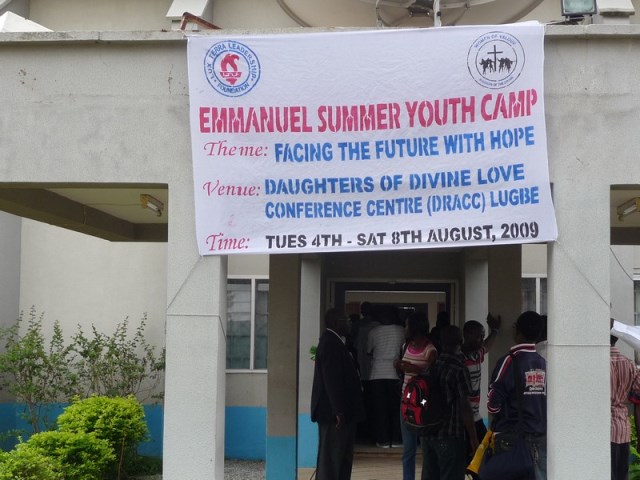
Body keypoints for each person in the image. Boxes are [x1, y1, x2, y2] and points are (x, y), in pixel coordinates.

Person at [487, 311, 547, 480]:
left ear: (517, 331)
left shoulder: (509, 361)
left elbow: (492, 405)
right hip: (540, 436)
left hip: (512, 438)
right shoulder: (543, 362)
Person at [311, 308, 365, 480]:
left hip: (344, 412)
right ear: (336, 322)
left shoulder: (338, 343)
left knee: (343, 458)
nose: (350, 323)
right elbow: (331, 380)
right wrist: (338, 410)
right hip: (334, 415)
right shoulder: (330, 344)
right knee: (331, 460)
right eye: (346, 320)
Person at [420, 325, 478, 480]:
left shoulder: (431, 366)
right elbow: (465, 406)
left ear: (440, 342)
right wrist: (473, 438)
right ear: (461, 341)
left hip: (429, 434)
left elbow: (423, 400)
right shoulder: (459, 368)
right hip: (450, 435)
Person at [395, 311, 438, 480]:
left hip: (423, 403)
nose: (404, 328)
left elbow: (434, 377)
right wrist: (398, 365)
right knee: (408, 449)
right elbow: (403, 371)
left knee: (426, 448)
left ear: (414, 327)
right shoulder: (406, 346)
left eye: (407, 325)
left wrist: (415, 369)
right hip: (406, 402)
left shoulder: (430, 350)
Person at [460, 313, 501, 460]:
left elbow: (486, 346)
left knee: (484, 456)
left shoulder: (476, 355)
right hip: (463, 420)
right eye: (478, 336)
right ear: (466, 335)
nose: (481, 340)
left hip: (475, 417)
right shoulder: (460, 360)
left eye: (482, 336)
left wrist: (495, 331)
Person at [367, 305, 405, 448]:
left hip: (377, 374)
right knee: (396, 408)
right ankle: (396, 440)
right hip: (395, 373)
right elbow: (403, 350)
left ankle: (382, 440)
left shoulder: (373, 332)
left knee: (379, 409)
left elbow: (369, 351)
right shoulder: (401, 330)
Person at [610, 317, 640, 480]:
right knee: (621, 474)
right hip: (623, 428)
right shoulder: (630, 365)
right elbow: (638, 402)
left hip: (604, 429)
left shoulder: (596, 364)